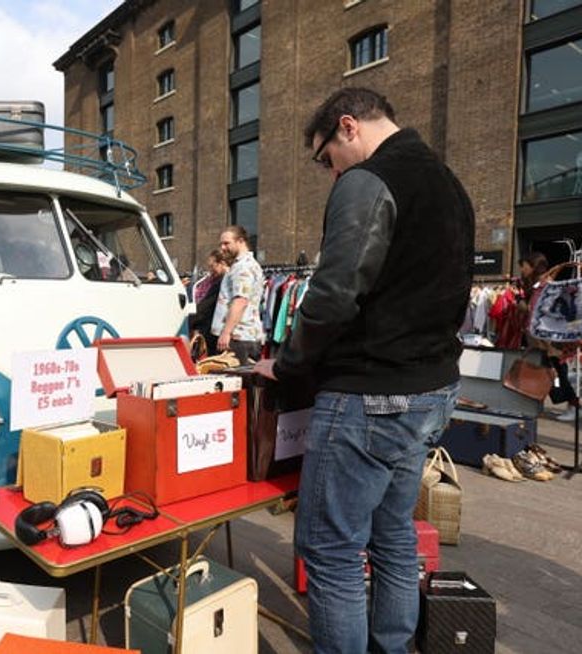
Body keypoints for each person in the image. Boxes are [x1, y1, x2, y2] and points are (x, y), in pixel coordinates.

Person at [252, 87, 474, 652]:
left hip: (370, 394)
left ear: (347, 126)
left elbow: (332, 294)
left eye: (325, 158)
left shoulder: (368, 181)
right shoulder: (449, 184)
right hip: (431, 387)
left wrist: (291, 364)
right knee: (394, 533)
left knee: (331, 549)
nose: (330, 173)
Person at [520, 252, 580, 421]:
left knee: (556, 374)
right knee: (550, 373)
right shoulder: (538, 285)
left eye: (524, 265)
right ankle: (571, 404)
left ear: (533, 266)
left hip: (549, 341)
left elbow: (548, 313)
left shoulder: (547, 286)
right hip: (542, 340)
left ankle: (574, 405)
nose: (522, 269)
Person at [211, 225, 265, 364]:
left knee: (236, 381)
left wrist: (226, 332)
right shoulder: (242, 265)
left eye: (226, 243)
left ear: (240, 241)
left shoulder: (243, 267)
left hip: (238, 338)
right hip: (241, 337)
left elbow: (240, 301)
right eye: (221, 244)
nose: (222, 248)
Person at [190, 249, 231, 356]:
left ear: (222, 263)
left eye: (212, 266)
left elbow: (205, 307)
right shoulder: (219, 281)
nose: (211, 270)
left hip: (215, 333)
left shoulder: (221, 282)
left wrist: (188, 321)